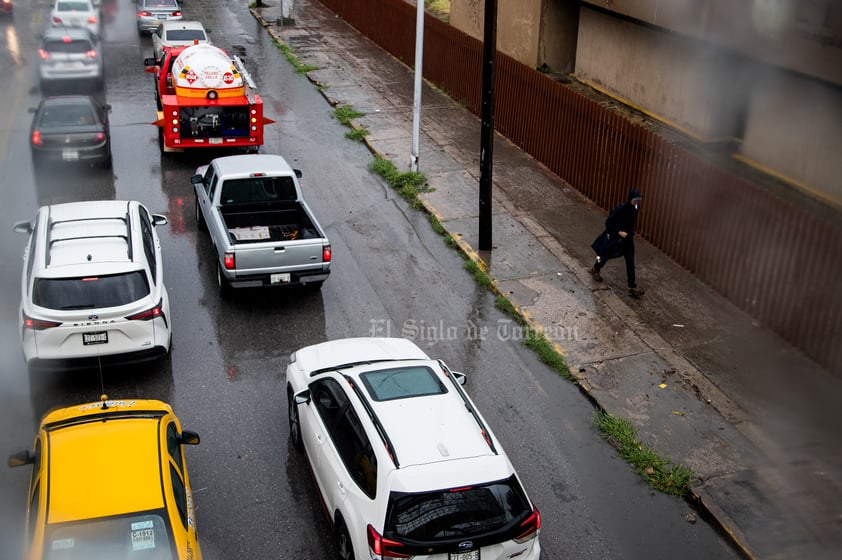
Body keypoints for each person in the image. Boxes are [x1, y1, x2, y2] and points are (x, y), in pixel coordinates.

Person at [588, 189, 645, 297]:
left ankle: (632, 286)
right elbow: (609, 222)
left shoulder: (636, 208)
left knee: (630, 261)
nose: (636, 202)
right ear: (630, 199)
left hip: (627, 239)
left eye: (638, 200)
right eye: (635, 200)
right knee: (603, 255)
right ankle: (595, 268)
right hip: (615, 238)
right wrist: (619, 232)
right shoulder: (621, 209)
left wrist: (629, 233)